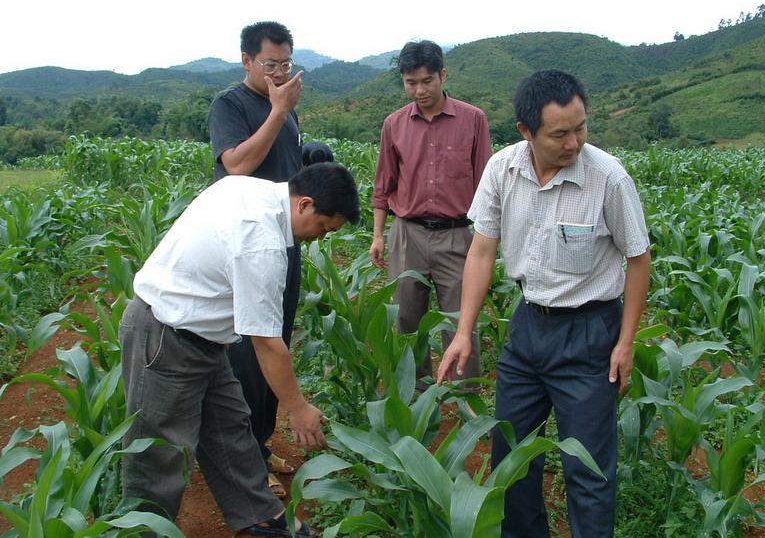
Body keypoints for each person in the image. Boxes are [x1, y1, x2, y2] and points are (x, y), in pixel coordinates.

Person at [436, 70, 651, 537]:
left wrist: (626, 341)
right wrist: (463, 331)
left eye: (581, 128)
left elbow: (638, 258)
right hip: (529, 327)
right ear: (526, 132)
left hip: (591, 334)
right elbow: (482, 249)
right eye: (560, 133)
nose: (574, 142)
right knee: (511, 456)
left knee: (589, 468)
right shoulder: (503, 169)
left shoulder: (607, 178)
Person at [121, 162, 360, 538]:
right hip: (166, 338)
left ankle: (260, 519)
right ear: (305, 204)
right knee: (160, 453)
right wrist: (298, 409)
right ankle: (143, 531)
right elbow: (267, 343)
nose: (319, 238)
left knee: (231, 430)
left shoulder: (249, 188)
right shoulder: (262, 242)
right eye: (323, 228)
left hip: (205, 338)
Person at [208, 21, 330, 497]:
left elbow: (285, 174)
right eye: (270, 65)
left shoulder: (287, 111)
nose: (280, 73)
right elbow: (236, 164)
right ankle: (247, 465)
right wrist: (279, 112)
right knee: (246, 356)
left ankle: (258, 443)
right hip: (246, 247)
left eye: (286, 64)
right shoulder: (231, 105)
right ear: (246, 62)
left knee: (273, 345)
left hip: (283, 243)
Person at [370, 40, 492, 389]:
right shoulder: (394, 124)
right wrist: (379, 235)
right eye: (411, 82)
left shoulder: (473, 120)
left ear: (443, 75)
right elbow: (384, 183)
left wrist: (488, 240)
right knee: (407, 316)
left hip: (457, 233)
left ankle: (465, 393)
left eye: (426, 81)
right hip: (407, 233)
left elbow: (487, 182)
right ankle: (416, 390)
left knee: (460, 317)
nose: (419, 90)